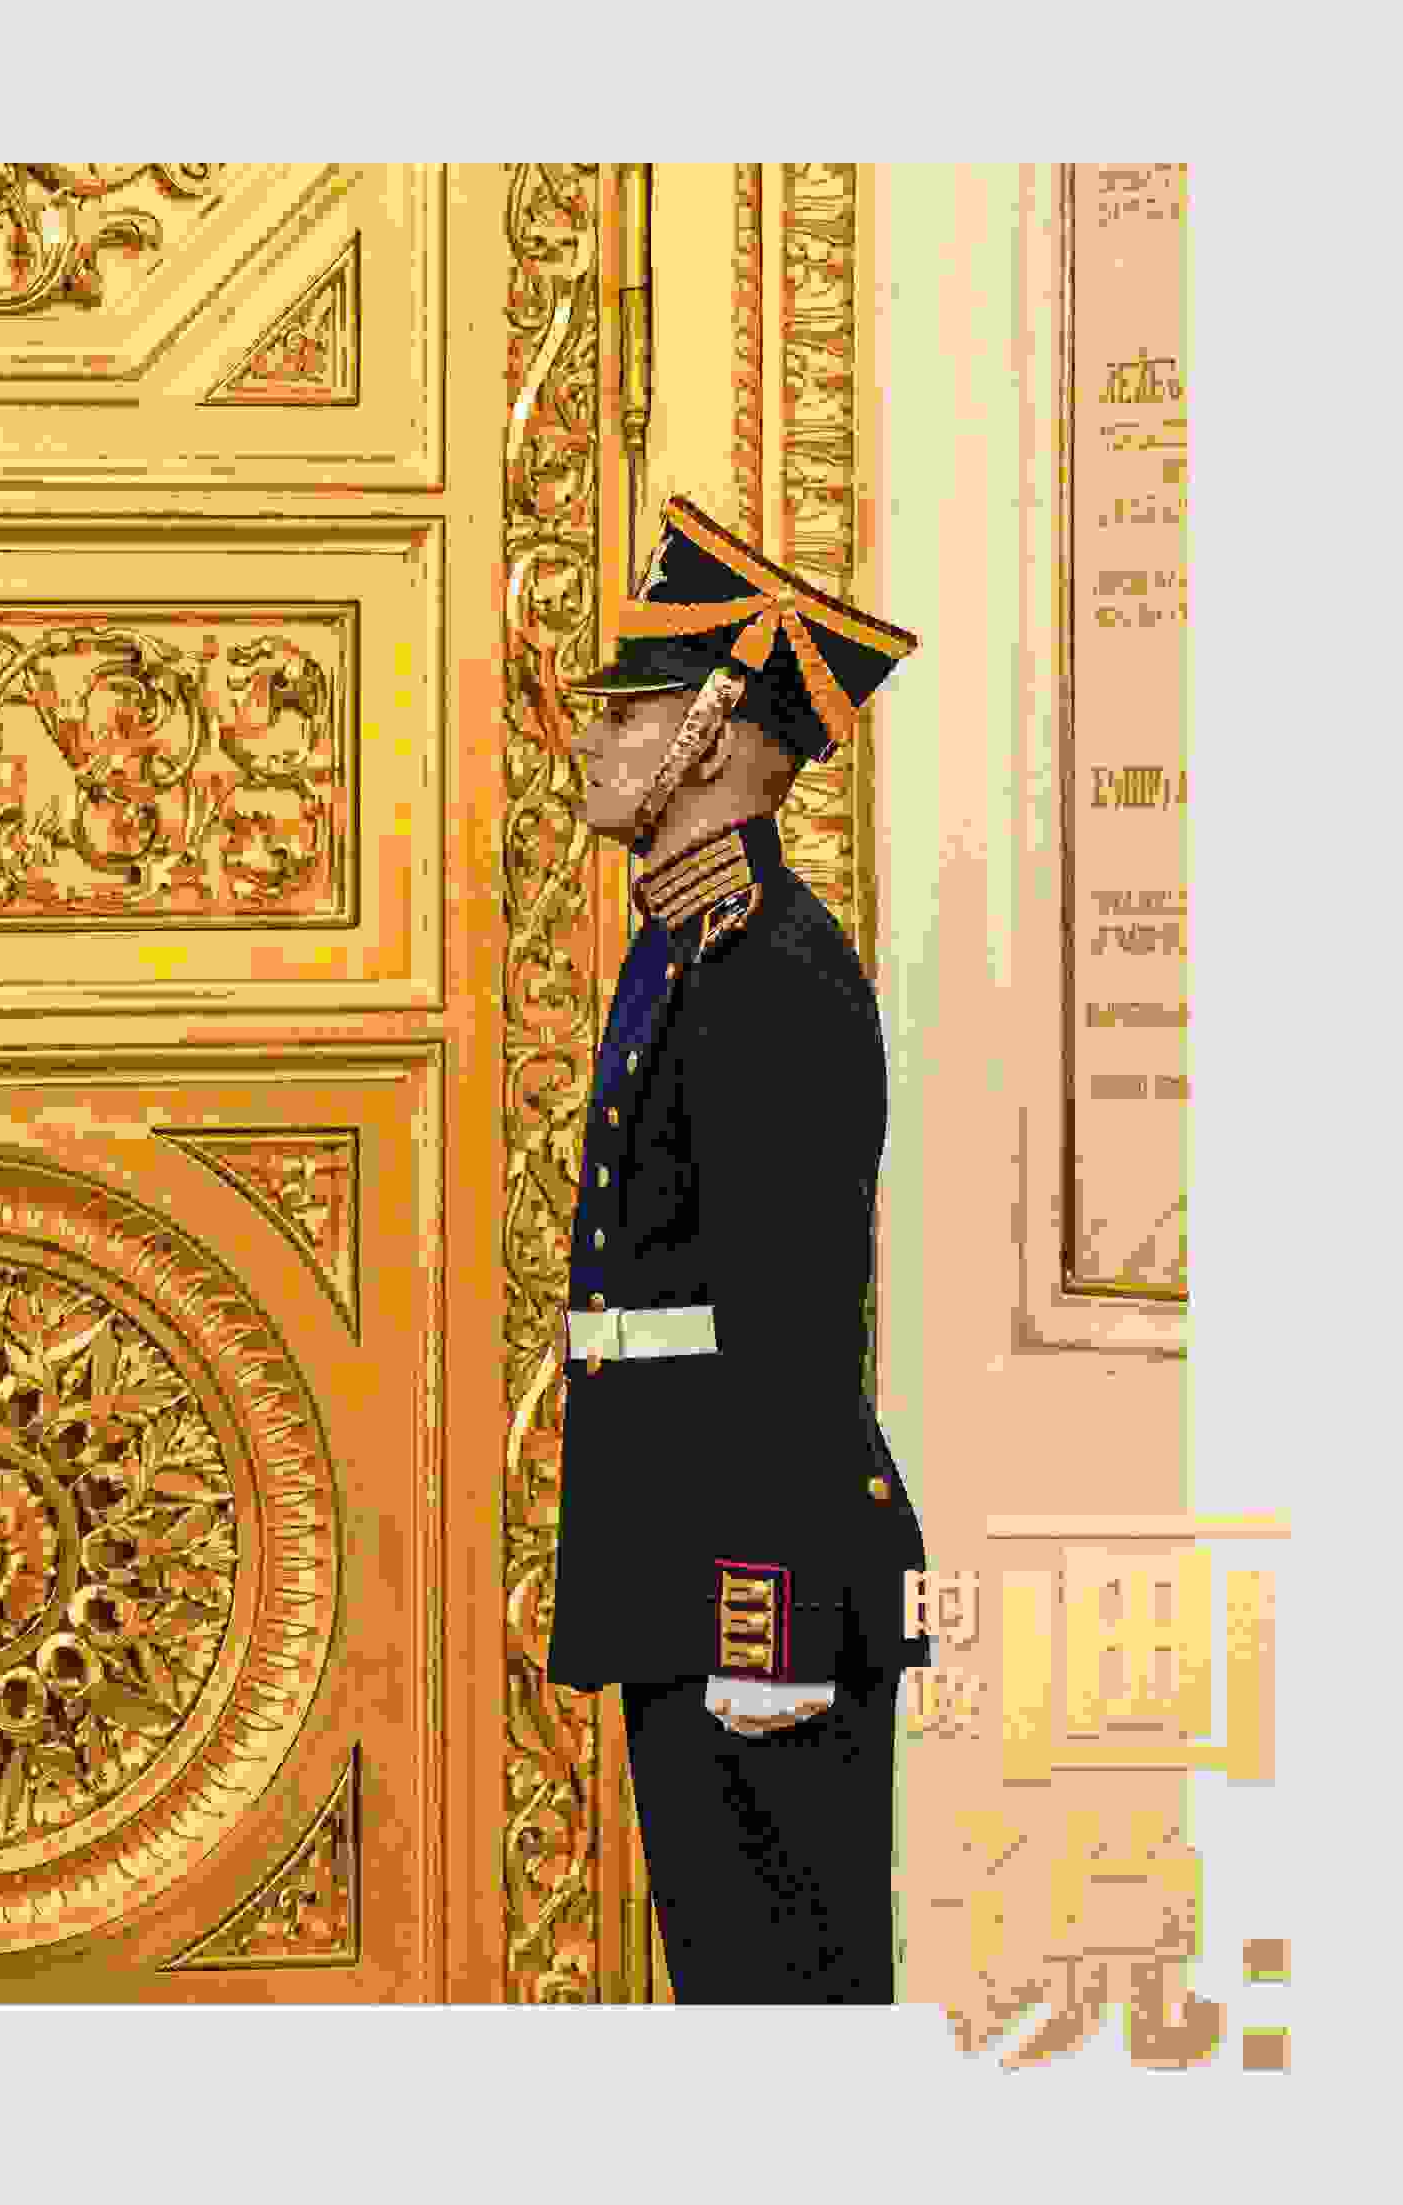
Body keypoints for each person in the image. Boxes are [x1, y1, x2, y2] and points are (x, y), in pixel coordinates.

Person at [538, 494, 931, 2003]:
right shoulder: (685, 947)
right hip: (679, 1564)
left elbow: (792, 1332)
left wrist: (766, 1633)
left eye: (630, 711)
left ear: (709, 733)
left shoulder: (772, 969)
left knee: (789, 2009)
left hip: (755, 1598)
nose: (593, 738)